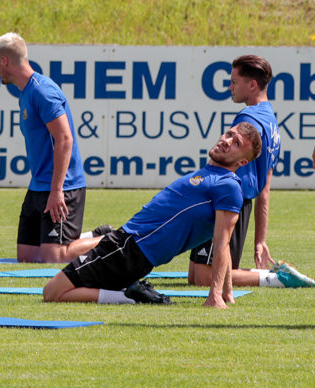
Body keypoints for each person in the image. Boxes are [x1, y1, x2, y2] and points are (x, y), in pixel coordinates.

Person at [44, 123, 264, 309]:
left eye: (236, 144)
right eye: (229, 134)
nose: (227, 141)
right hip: (126, 246)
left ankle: (129, 296)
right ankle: (128, 288)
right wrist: (228, 291)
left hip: (127, 248)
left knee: (52, 292)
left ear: (242, 162)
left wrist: (216, 295)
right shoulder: (210, 174)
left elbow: (222, 242)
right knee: (69, 278)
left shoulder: (228, 186)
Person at [186, 55, 304, 288]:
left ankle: (276, 278)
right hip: (239, 203)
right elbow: (265, 188)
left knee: (205, 278)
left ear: (252, 84)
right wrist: (260, 240)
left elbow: (224, 167)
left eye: (234, 81)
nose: (230, 87)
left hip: (227, 202)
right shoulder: (270, 120)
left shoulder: (248, 120)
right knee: (195, 276)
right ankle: (273, 277)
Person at [0, 32, 88, 263]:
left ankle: (107, 238)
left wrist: (57, 190)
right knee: (26, 257)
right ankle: (78, 238)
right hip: (38, 186)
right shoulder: (26, 94)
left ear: (4, 61)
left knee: (53, 257)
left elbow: (65, 139)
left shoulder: (43, 91)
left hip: (62, 187)